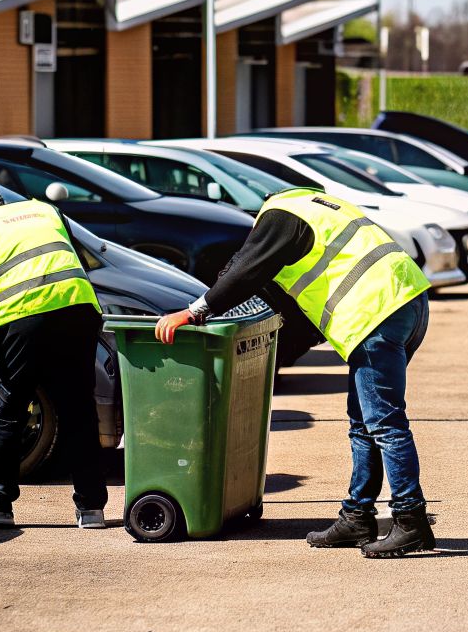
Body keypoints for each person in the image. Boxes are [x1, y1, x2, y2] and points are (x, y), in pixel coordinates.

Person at [156, 187, 435, 558]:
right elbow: (296, 306)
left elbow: (246, 269)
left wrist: (196, 312)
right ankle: (357, 516)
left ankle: (410, 519)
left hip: (376, 311)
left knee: (384, 422)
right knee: (364, 422)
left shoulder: (280, 214)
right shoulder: (321, 209)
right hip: (408, 302)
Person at [0, 179, 108, 528]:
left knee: (9, 407)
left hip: (24, 321)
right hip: (79, 310)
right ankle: (92, 508)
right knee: (78, 407)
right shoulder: (45, 210)